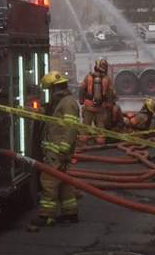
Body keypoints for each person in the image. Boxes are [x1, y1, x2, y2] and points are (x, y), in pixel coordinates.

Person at [28, 71, 81, 230]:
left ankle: (46, 215)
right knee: (63, 181)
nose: (49, 94)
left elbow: (71, 128)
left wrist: (63, 149)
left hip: (57, 151)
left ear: (54, 88)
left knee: (49, 181)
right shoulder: (62, 102)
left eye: (49, 90)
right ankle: (70, 212)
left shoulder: (68, 103)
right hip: (58, 151)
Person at [79, 58, 116, 146]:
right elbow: (111, 93)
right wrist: (109, 104)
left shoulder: (88, 77)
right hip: (100, 108)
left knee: (85, 127)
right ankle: (100, 145)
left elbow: (81, 89)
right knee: (100, 129)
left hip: (88, 106)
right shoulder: (107, 79)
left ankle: (83, 145)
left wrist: (81, 100)